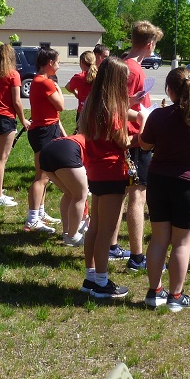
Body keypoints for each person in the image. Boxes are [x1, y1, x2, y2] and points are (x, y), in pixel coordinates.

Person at [139, 67, 190, 311]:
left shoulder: (158, 116)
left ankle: (154, 292)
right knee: (182, 244)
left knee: (159, 239)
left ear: (169, 90)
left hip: (160, 181)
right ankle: (176, 295)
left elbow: (144, 144)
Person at [79, 57, 136, 300]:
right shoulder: (112, 108)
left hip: (95, 170)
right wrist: (138, 136)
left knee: (95, 226)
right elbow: (122, 141)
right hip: (112, 170)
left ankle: (90, 276)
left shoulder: (92, 102)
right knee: (107, 230)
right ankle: (102, 281)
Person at [116, 21, 161, 271]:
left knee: (121, 194)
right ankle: (137, 257)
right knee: (138, 195)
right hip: (134, 139)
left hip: (122, 138)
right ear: (149, 44)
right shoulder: (136, 71)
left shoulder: (122, 65)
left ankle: (113, 246)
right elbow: (125, 107)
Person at [0, 43, 28, 206]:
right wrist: (23, 119)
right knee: (1, 159)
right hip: (5, 117)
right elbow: (16, 101)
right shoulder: (13, 74)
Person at [25, 47, 66, 233]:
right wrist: (58, 88)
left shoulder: (37, 80)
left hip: (46, 129)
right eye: (57, 62)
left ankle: (40, 213)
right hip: (43, 131)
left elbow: (55, 113)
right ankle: (32, 219)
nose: (58, 66)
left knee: (46, 175)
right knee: (41, 177)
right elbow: (61, 106)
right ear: (49, 63)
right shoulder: (46, 83)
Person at [39, 133, 89, 246]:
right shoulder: (100, 145)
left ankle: (67, 233)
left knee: (69, 193)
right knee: (80, 195)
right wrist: (85, 214)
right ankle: (72, 236)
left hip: (47, 150)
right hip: (66, 151)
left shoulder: (86, 136)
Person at [66, 50, 97, 124]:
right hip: (96, 111)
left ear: (82, 62)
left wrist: (76, 93)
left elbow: (68, 87)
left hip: (83, 111)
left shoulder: (79, 77)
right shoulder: (100, 75)